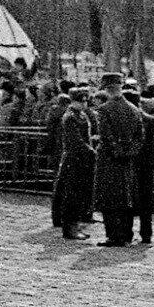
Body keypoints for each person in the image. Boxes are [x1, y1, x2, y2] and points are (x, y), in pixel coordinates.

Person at [92, 73, 143, 248]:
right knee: (126, 198)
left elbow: (105, 136)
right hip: (127, 161)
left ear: (106, 88)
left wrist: (116, 151)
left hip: (109, 159)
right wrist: (129, 152)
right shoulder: (134, 109)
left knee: (109, 198)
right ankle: (127, 234)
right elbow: (139, 138)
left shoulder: (104, 109)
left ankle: (114, 236)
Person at [53, 90, 96, 241]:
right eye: (80, 101)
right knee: (71, 194)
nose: (83, 104)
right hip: (73, 159)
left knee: (77, 194)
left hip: (82, 159)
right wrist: (91, 152)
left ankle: (74, 225)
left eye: (85, 101)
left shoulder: (82, 115)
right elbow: (76, 140)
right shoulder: (70, 117)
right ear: (73, 101)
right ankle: (70, 229)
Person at [134, 85, 154, 244]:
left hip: (135, 166)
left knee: (133, 201)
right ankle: (146, 234)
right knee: (145, 203)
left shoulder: (140, 120)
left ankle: (128, 232)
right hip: (146, 167)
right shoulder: (150, 120)